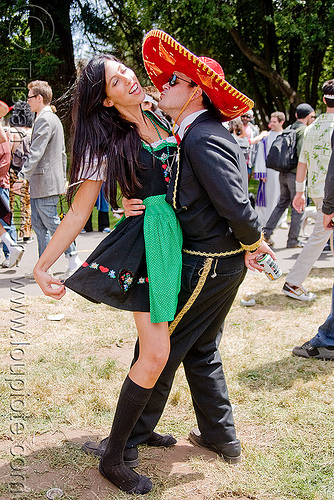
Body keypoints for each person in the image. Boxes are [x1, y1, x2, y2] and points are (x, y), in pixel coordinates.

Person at [87, 29, 274, 468]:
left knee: (160, 348)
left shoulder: (201, 135)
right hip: (219, 261)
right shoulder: (188, 129)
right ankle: (220, 436)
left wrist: (254, 242)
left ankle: (126, 439)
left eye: (174, 81)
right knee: (201, 347)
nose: (164, 84)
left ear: (195, 92)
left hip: (210, 262)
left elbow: (234, 200)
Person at [33, 54, 184, 494]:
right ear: (105, 99)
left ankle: (136, 430)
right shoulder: (107, 142)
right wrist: (42, 266)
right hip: (147, 244)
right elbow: (80, 210)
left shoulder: (161, 111)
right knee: (156, 352)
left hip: (181, 239)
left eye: (126, 71)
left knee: (157, 344)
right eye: (117, 82)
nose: (129, 80)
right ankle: (114, 458)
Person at [20, 80, 81, 279]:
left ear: (39, 98)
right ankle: (44, 267)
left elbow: (37, 152)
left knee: (53, 224)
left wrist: (22, 176)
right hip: (42, 183)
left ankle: (73, 258)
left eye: (29, 97)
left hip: (45, 182)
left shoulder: (46, 119)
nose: (27, 101)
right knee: (40, 226)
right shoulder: (45, 118)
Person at [283, 80, 334, 301]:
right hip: (330, 191)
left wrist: (299, 192)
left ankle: (293, 282)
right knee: (319, 237)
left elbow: (302, 162)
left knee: (324, 235)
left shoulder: (311, 129)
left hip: (316, 189)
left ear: (323, 100)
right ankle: (293, 282)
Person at [292, 132, 334, 359]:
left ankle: (329, 339)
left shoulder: (313, 127)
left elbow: (304, 163)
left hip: (321, 195)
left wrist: (328, 207)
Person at [263, 103, 315, 248]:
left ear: (297, 115)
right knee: (298, 207)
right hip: (295, 174)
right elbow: (301, 155)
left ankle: (266, 234)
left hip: (283, 173)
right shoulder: (303, 131)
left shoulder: (289, 128)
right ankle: (293, 240)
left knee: (281, 204)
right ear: (309, 116)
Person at [0, 102, 24, 268]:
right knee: (6, 218)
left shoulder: (3, 138)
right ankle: (11, 248)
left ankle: (11, 250)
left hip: (1, 183)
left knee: (6, 219)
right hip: (3, 182)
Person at [253, 112, 286, 227]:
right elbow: (261, 155)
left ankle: (281, 220)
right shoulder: (266, 137)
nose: (271, 124)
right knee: (268, 196)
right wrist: (261, 172)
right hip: (269, 172)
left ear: (281, 122)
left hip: (282, 171)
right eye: (271, 121)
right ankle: (264, 219)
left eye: (274, 122)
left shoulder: (286, 135)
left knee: (282, 195)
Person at [9, 100, 34, 243]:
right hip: (28, 171)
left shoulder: (12, 132)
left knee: (11, 203)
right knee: (26, 202)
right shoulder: (32, 131)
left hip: (13, 171)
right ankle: (26, 232)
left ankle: (10, 230)